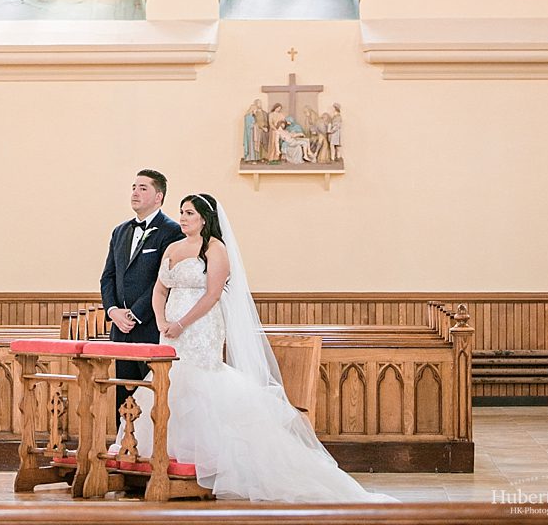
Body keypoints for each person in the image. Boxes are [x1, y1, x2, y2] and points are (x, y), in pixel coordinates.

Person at [121, 193, 393, 504]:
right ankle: (163, 461)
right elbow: (159, 288)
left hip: (200, 326)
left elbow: (212, 296)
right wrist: (161, 320)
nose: (182, 218)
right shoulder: (172, 248)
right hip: (168, 329)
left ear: (204, 219)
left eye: (189, 213)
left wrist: (182, 323)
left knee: (199, 383)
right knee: (170, 383)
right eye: (181, 212)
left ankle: (209, 465)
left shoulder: (215, 249)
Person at [100, 169, 183, 410]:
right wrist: (113, 311)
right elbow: (108, 276)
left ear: (159, 197)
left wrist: (134, 314)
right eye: (134, 187)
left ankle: (149, 447)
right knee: (123, 398)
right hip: (120, 330)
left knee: (151, 396)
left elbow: (163, 281)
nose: (135, 192)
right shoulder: (120, 231)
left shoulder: (172, 231)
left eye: (143, 188)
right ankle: (122, 444)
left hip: (149, 327)